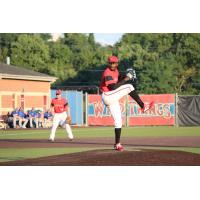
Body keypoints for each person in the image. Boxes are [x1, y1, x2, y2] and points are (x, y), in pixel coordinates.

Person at [100, 55, 154, 151]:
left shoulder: (116, 71)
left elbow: (120, 79)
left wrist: (127, 76)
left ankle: (117, 144)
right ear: (109, 63)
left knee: (118, 121)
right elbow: (113, 87)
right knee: (129, 87)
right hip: (108, 95)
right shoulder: (107, 72)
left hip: (112, 98)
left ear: (117, 63)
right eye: (110, 63)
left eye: (114, 63)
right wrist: (127, 79)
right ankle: (143, 106)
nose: (112, 64)